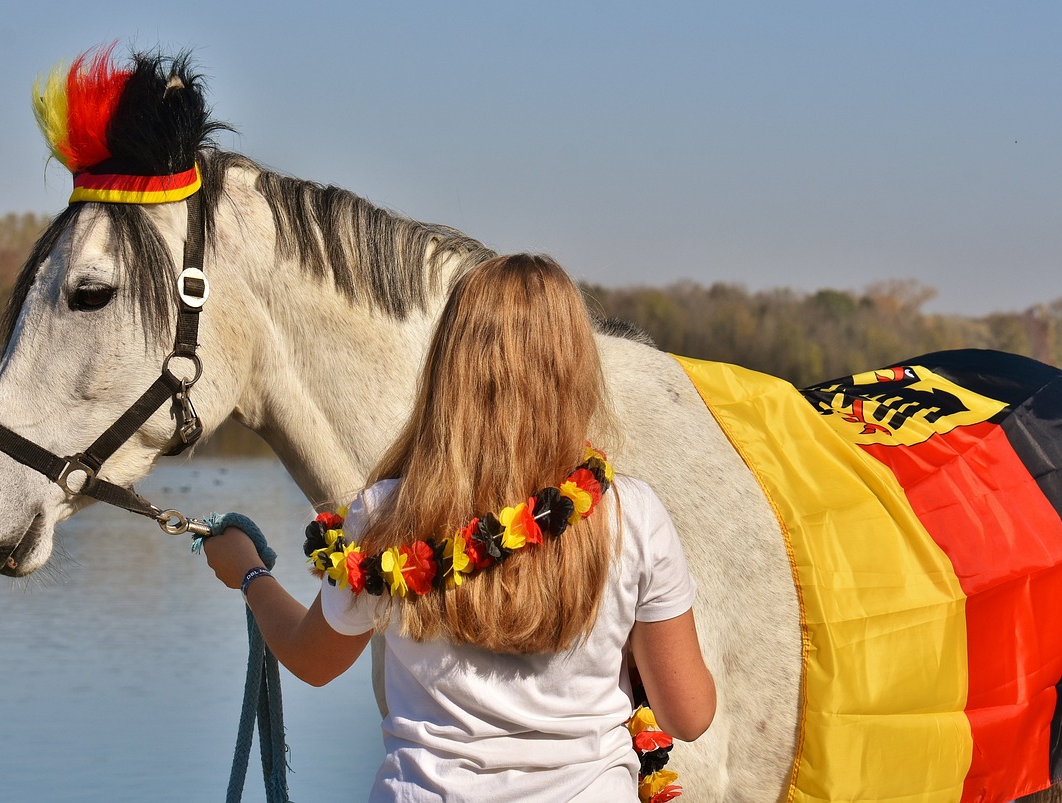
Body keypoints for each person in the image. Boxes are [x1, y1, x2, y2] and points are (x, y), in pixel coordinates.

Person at [203, 253, 715, 802]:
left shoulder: (385, 516)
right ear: (577, 369)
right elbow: (687, 715)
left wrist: (249, 572)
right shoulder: (632, 516)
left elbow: (313, 660)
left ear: (450, 365)